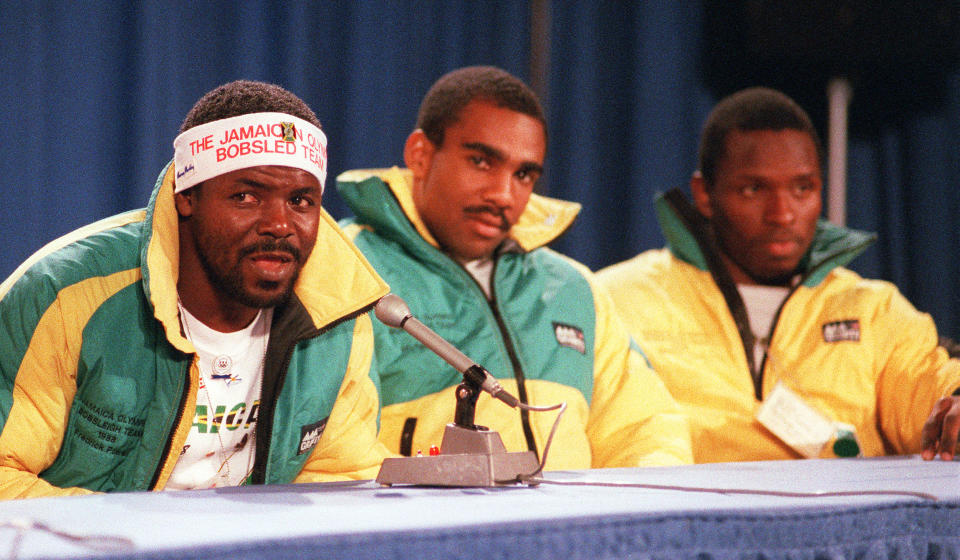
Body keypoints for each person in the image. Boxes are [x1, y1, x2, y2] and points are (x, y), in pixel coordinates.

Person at [0, 80, 391, 499]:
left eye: (301, 201)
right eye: (246, 196)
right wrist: (148, 537)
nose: (280, 224)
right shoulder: (64, 293)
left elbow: (344, 487)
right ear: (186, 195)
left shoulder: (336, 317)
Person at [336, 66, 692, 470]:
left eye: (523, 174)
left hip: (574, 532)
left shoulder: (573, 287)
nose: (503, 195)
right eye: (481, 162)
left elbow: (646, 431)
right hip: (423, 531)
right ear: (420, 154)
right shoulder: (350, 273)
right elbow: (335, 456)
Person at [597, 86, 960, 463]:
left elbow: (931, 386)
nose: (782, 214)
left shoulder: (872, 309)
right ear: (705, 194)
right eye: (754, 189)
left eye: (803, 188)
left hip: (840, 520)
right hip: (688, 518)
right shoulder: (616, 301)